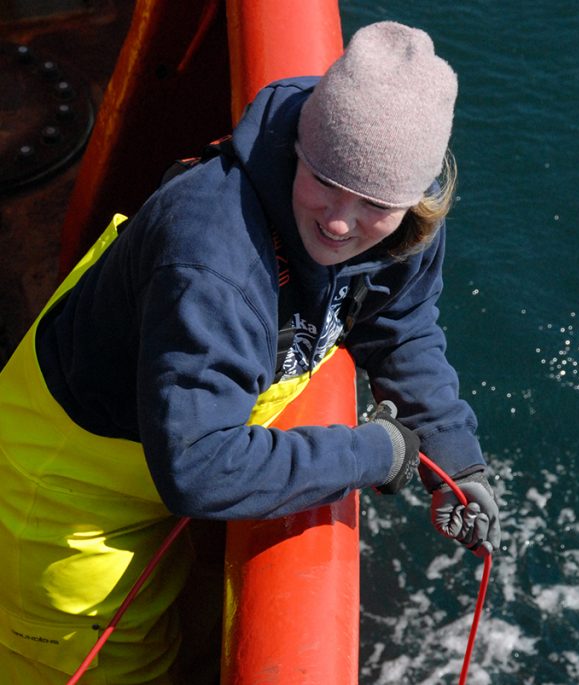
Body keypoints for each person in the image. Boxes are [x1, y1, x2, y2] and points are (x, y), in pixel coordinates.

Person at [0, 20, 500, 683]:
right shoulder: (211, 255)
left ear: (413, 198)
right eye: (324, 178)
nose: (341, 220)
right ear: (300, 144)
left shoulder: (400, 220)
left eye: (375, 202)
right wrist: (379, 451)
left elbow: (400, 322)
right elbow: (201, 468)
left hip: (154, 452)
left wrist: (453, 457)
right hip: (67, 500)